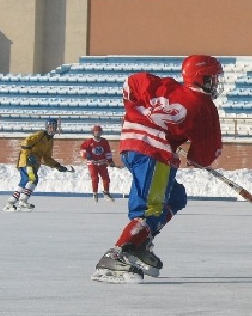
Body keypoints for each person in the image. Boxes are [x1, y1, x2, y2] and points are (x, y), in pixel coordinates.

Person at [92, 54, 224, 282]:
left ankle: (139, 242)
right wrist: (195, 157)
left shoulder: (166, 85)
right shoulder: (206, 108)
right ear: (201, 78)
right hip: (156, 153)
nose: (215, 84)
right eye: (212, 78)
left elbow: (131, 83)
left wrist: (140, 114)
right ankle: (117, 254)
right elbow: (204, 154)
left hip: (130, 146)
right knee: (150, 208)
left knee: (175, 197)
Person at [3, 118, 71, 211]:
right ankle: (23, 200)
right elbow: (26, 142)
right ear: (47, 127)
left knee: (25, 180)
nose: (52, 129)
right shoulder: (41, 134)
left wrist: (58, 166)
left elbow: (47, 158)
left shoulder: (50, 141)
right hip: (26, 160)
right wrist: (29, 154)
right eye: (50, 127)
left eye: (54, 127)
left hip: (34, 163)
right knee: (32, 178)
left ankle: (12, 201)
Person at [79, 124, 115, 202]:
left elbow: (107, 152)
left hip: (102, 163)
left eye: (99, 131)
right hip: (92, 163)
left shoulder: (104, 142)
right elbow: (82, 149)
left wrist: (110, 161)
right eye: (96, 131)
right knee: (95, 178)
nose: (97, 133)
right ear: (93, 132)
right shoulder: (89, 142)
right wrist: (86, 155)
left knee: (106, 179)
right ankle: (95, 194)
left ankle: (106, 194)